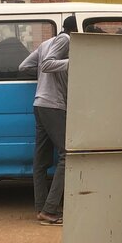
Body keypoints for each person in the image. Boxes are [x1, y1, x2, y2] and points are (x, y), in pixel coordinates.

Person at [18, 15, 78, 224]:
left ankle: (41, 208)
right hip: (53, 105)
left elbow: (24, 67)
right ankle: (50, 210)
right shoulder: (66, 40)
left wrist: (48, 77)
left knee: (41, 161)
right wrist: (75, 61)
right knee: (67, 154)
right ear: (75, 30)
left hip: (39, 103)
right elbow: (47, 65)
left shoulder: (45, 43)